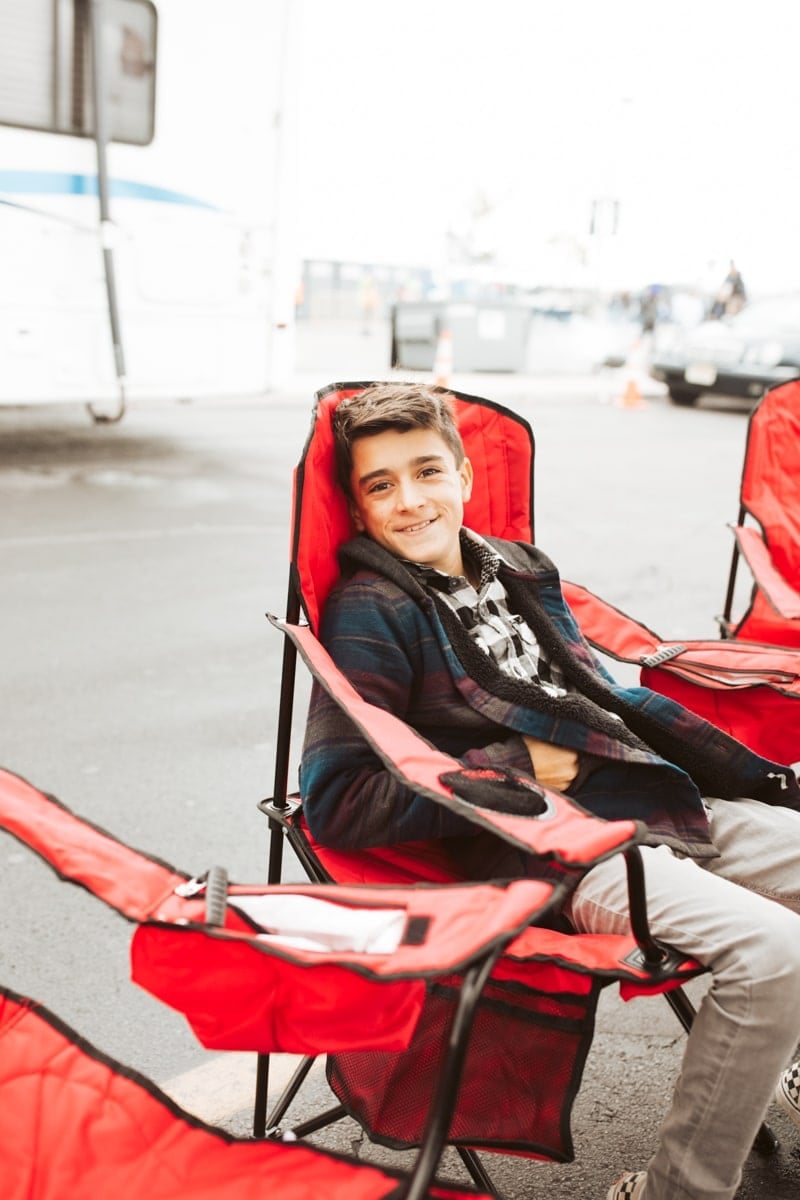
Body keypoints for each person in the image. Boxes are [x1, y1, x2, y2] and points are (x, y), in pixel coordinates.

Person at [300, 381, 800, 1200]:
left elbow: (607, 700)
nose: (411, 500)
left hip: (652, 795)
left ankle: (785, 1057)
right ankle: (678, 1191)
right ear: (358, 509)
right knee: (776, 951)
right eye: (380, 485)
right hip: (560, 848)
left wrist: (760, 779)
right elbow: (340, 801)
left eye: (427, 471)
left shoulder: (522, 568)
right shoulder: (371, 611)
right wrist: (522, 769)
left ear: (464, 475)